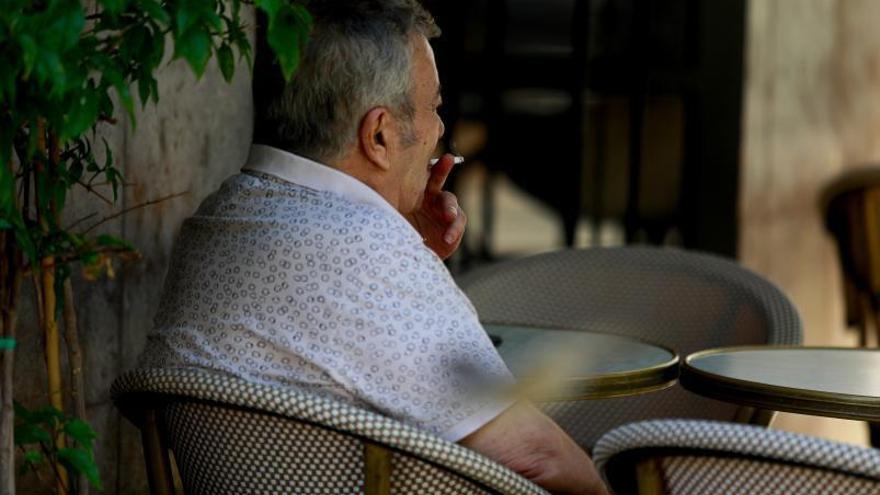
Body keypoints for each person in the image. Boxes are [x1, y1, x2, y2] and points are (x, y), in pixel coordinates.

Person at [140, 1, 607, 493]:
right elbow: (535, 457)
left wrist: (406, 239)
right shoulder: (370, 251)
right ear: (379, 134)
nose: (440, 131)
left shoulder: (214, 221)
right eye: (435, 107)